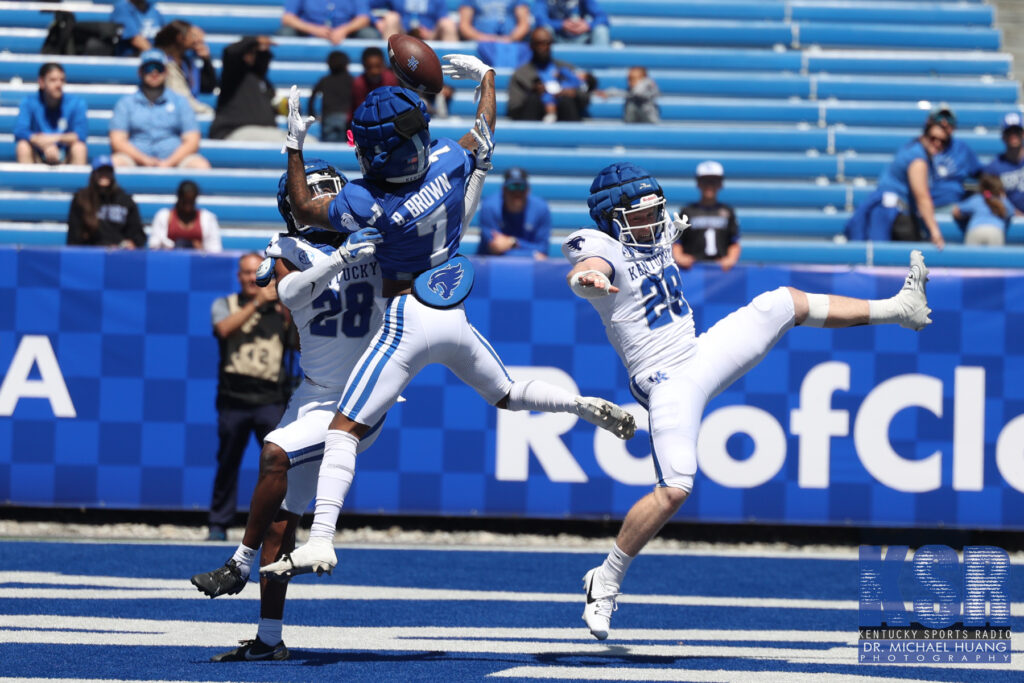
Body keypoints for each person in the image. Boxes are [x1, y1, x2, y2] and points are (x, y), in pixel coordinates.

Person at [259, 55, 636, 579]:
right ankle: (578, 403)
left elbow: (301, 209)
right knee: (507, 392)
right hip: (451, 309)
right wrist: (486, 76)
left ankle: (322, 538)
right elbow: (482, 131)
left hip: (405, 317)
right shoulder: (450, 163)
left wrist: (295, 145)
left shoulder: (369, 201)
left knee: (344, 428)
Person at [563, 161, 932, 641]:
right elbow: (588, 265)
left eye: (657, 211)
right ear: (611, 218)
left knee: (781, 303)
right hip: (665, 380)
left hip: (699, 353)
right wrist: (586, 280)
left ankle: (897, 309)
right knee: (676, 487)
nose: (654, 222)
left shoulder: (652, 235)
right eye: (641, 214)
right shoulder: (599, 244)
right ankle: (606, 579)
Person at [191, 161, 386, 662]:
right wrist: (341, 256)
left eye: (327, 197)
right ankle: (269, 638)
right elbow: (285, 291)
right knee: (281, 518)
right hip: (313, 390)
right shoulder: (288, 252)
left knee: (274, 452)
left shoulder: (378, 237)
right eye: (311, 198)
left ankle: (238, 562)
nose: (320, 207)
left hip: (358, 396)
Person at [207, 253, 297, 541]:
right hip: (234, 396)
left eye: (254, 272)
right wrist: (258, 302)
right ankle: (219, 523)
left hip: (270, 398)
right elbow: (223, 330)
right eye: (245, 273)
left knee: (280, 465)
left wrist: (292, 309)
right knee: (227, 462)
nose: (250, 278)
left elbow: (297, 344)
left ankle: (284, 524)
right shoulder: (226, 304)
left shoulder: (281, 310)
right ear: (238, 276)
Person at [843, 120, 947, 248]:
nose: (937, 143)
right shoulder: (918, 159)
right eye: (933, 138)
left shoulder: (911, 148)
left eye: (943, 141)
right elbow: (922, 197)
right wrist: (935, 232)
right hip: (893, 214)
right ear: (924, 136)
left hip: (887, 211)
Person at [110, 50, 210, 169]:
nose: (154, 72)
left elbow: (192, 140)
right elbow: (118, 140)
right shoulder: (126, 103)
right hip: (135, 159)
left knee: (200, 165)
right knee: (115, 163)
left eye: (159, 68)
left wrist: (169, 162)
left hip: (175, 159)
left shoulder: (180, 102)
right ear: (140, 72)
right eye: (149, 68)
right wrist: (144, 160)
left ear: (166, 72)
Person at [210, 36, 290, 143]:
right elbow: (230, 52)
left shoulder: (264, 83)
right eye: (250, 52)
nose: (252, 56)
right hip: (235, 131)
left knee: (308, 141)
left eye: (255, 53)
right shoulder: (234, 75)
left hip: (266, 133)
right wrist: (254, 41)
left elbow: (272, 107)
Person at [508, 27, 590, 123]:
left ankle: (570, 136)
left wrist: (572, 93)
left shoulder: (566, 69)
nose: (543, 47)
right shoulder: (521, 74)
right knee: (533, 100)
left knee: (566, 101)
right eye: (539, 43)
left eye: (547, 43)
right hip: (534, 121)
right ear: (531, 45)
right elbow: (514, 107)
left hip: (565, 118)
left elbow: (585, 97)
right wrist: (534, 91)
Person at [14, 63, 88, 166]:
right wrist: (43, 144)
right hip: (38, 153)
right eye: (53, 80)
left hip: (65, 154)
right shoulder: (29, 102)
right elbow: (20, 131)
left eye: (62, 80)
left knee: (79, 148)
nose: (58, 85)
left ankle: (77, 182)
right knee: (22, 146)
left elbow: (81, 134)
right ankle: (27, 182)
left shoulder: (76, 103)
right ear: (41, 82)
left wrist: (53, 139)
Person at [66, 155, 146, 248]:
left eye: (107, 171)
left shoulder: (125, 200)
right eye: (100, 171)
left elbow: (138, 234)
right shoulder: (81, 198)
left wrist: (131, 243)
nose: (104, 175)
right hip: (91, 253)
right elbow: (74, 235)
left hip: (119, 254)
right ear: (94, 174)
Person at [674, 161, 741, 271]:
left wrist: (730, 259)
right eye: (705, 181)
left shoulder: (728, 212)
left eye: (714, 181)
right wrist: (680, 257)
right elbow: (676, 242)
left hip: (719, 272)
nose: (709, 186)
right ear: (698, 183)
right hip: (692, 272)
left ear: (720, 184)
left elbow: (734, 242)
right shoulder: (687, 211)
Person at [477, 167, 552, 258]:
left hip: (531, 266)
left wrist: (513, 242)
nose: (517, 193)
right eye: (512, 187)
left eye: (521, 187)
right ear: (504, 190)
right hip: (494, 264)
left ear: (528, 190)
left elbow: (543, 249)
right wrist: (531, 254)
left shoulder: (541, 209)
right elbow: (495, 248)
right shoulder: (490, 207)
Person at [927, 104, 981, 210]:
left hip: (953, 207)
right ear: (929, 124)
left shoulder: (962, 149)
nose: (944, 122)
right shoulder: (919, 148)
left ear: (954, 126)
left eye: (949, 119)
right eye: (939, 118)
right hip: (923, 206)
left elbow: (982, 174)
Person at [154, 20, 214, 116]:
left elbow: (207, 87)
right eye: (192, 35)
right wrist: (208, 112)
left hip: (189, 111)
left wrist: (206, 61)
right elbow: (180, 98)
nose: (196, 39)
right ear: (180, 38)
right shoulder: (165, 63)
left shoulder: (187, 61)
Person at [148, 180, 223, 251]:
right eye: (185, 201)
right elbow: (153, 245)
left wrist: (199, 249)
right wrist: (177, 246)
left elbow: (215, 249)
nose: (188, 205)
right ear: (179, 198)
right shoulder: (164, 216)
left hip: (198, 262)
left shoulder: (207, 218)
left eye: (191, 201)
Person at [951, 173, 1014, 246]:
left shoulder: (976, 199)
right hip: (996, 232)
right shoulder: (1003, 201)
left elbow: (955, 210)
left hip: (975, 230)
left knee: (972, 257)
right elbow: (1011, 212)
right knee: (994, 257)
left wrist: (963, 218)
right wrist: (1003, 196)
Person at [349, 46, 399, 129]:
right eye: (370, 67)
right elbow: (361, 110)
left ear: (383, 64)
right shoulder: (359, 83)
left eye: (378, 66)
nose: (374, 71)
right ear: (364, 66)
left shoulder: (390, 79)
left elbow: (395, 104)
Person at [983, 111, 1024, 213]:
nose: (1013, 135)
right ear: (1003, 136)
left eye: (1017, 131)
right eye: (1009, 132)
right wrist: (1009, 210)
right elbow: (987, 194)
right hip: (1010, 220)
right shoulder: (994, 167)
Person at [281, 0, 377, 43]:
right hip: (308, 32)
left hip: (345, 33)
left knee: (369, 34)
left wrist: (343, 30)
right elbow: (287, 18)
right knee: (285, 32)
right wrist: (314, 29)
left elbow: (364, 18)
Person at [309, 51, 353, 143]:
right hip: (346, 118)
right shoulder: (351, 80)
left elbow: (312, 97)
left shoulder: (325, 80)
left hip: (329, 117)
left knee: (330, 144)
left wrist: (312, 114)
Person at [532, 0, 610, 46]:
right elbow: (540, 20)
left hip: (581, 38)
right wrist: (561, 25)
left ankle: (601, 68)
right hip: (557, 38)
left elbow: (602, 17)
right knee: (544, 31)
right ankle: (544, 69)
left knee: (601, 30)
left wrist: (587, 25)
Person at [380, 0, 458, 41]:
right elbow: (368, 4)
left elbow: (443, 18)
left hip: (430, 35)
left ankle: (452, 66)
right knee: (391, 18)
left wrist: (429, 33)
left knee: (448, 24)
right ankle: (390, 65)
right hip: (402, 33)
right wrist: (376, 21)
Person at [457, 0, 531, 42]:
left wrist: (510, 39)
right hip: (479, 44)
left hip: (510, 45)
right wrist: (483, 38)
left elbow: (523, 24)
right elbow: (464, 25)